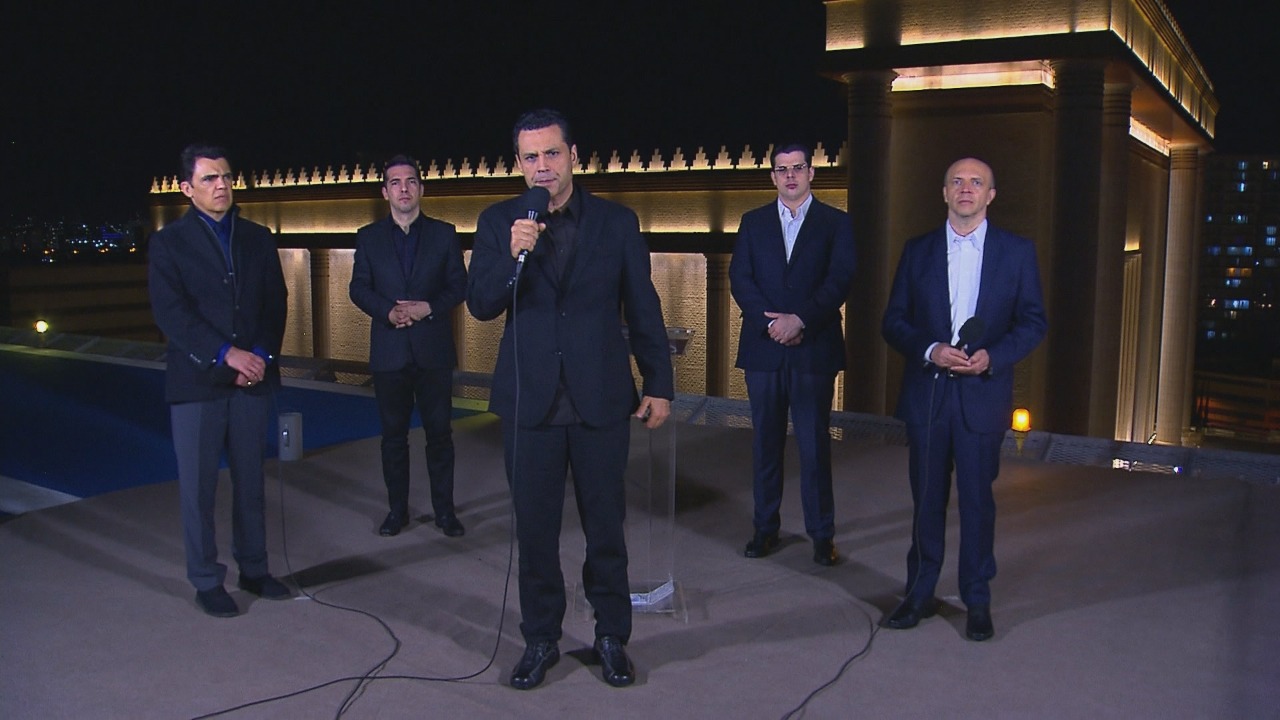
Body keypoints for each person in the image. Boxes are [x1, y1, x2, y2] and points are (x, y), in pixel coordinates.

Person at [467, 109, 674, 690]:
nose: (543, 166)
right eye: (531, 157)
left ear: (574, 156)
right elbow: (480, 303)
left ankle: (611, 637)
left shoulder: (617, 222)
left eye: (552, 154)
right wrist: (511, 255)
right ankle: (540, 639)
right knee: (535, 531)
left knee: (606, 527)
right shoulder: (498, 222)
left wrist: (659, 383)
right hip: (529, 402)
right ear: (518, 164)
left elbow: (643, 306)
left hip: (600, 398)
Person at [881, 157, 1047, 641]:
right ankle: (918, 592)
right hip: (929, 395)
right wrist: (930, 349)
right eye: (957, 181)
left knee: (977, 503)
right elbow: (894, 320)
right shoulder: (918, 251)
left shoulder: (1017, 252)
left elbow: (1033, 322)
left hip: (982, 397)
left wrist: (993, 357)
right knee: (926, 501)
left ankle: (977, 598)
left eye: (977, 182)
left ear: (991, 195)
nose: (966, 188)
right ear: (945, 192)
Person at [148, 144, 291, 617]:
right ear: (187, 188)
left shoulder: (257, 238)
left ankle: (254, 568)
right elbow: (172, 313)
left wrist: (261, 357)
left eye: (227, 176)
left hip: (252, 379)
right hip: (197, 382)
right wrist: (226, 354)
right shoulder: (168, 243)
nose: (222, 185)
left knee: (251, 482)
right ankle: (207, 579)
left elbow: (275, 303)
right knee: (199, 489)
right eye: (209, 178)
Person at [729, 142, 856, 566]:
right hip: (763, 350)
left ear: (811, 173)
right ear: (773, 176)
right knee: (765, 444)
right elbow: (740, 279)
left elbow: (839, 280)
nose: (790, 176)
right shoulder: (752, 222)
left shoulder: (836, 223)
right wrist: (773, 325)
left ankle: (822, 535)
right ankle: (765, 529)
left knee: (814, 444)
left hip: (813, 349)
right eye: (782, 169)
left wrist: (800, 320)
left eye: (797, 168)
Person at [349, 155, 468, 538]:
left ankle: (445, 513)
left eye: (411, 181)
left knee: (440, 436)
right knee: (393, 439)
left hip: (433, 350)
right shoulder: (368, 237)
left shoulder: (444, 234)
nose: (404, 188)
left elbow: (459, 285)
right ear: (385, 192)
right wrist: (388, 311)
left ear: (421, 188)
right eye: (396, 182)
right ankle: (396, 512)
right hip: (390, 351)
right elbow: (358, 288)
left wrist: (428, 307)